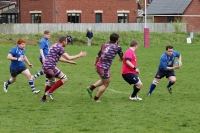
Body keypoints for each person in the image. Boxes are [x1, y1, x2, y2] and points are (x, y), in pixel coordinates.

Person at [41, 36, 87, 102]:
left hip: (45, 66)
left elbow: (59, 58)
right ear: (63, 42)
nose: (67, 43)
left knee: (51, 82)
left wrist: (69, 62)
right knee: (64, 78)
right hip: (50, 66)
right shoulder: (60, 48)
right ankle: (50, 92)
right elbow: (69, 57)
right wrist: (79, 55)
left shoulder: (54, 45)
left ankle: (43, 98)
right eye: (66, 42)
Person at [86, 33, 123, 102]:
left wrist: (95, 63)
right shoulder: (118, 47)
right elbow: (121, 57)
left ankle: (91, 88)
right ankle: (95, 99)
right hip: (104, 68)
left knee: (105, 80)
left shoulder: (104, 45)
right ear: (117, 40)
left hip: (99, 66)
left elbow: (98, 56)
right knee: (106, 83)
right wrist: (121, 59)